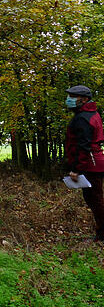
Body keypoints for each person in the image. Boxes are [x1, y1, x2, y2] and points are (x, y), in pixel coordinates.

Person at [64, 85, 104, 242]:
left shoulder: (82, 118)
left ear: (84, 99)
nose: (69, 100)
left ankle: (102, 235)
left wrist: (76, 169)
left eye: (73, 97)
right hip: (95, 161)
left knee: (95, 200)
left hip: (91, 164)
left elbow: (83, 145)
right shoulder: (92, 113)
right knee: (95, 198)